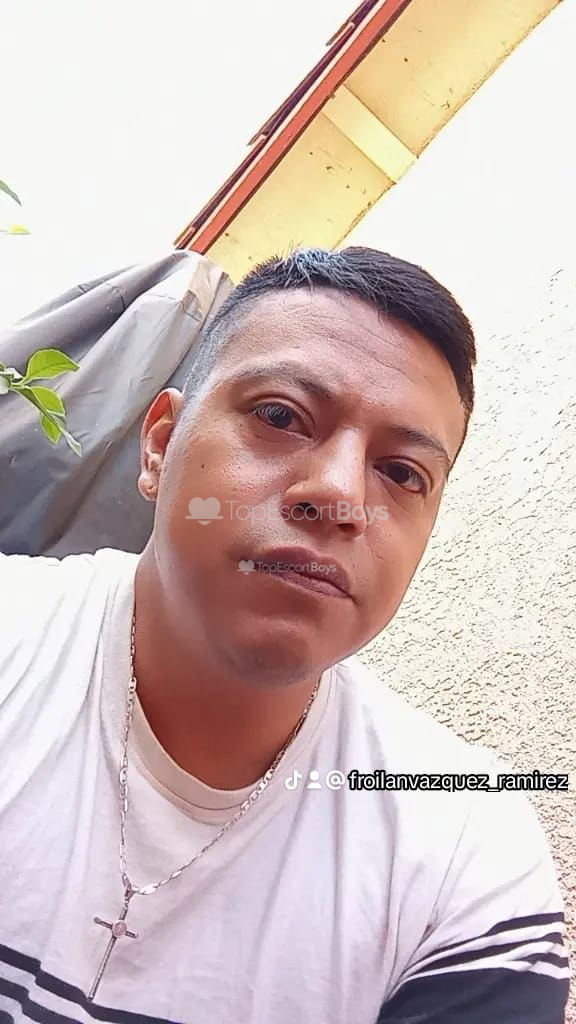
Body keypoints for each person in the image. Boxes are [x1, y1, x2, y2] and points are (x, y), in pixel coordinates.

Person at [0, 247, 569, 1024]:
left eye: (402, 473)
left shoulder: (463, 857)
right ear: (161, 444)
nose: (339, 495)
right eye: (279, 416)